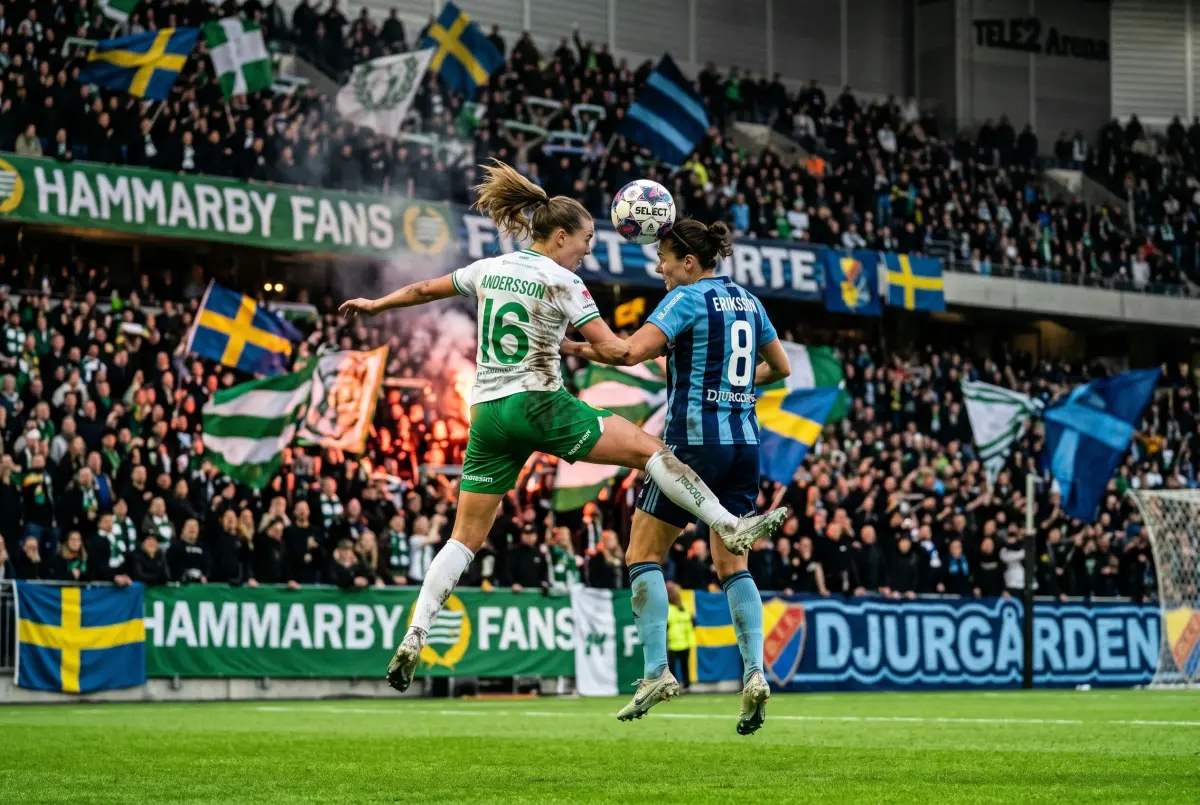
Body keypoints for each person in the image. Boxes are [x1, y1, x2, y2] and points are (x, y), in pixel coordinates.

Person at [339, 161, 787, 692]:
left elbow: (420, 290)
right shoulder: (564, 279)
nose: (589, 251)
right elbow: (616, 349)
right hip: (540, 405)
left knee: (463, 538)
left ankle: (415, 635)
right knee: (651, 450)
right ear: (558, 236)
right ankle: (727, 524)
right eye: (586, 240)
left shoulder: (489, 266)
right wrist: (599, 346)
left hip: (486, 416)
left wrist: (374, 304)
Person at [561, 218, 790, 734]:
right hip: (744, 445)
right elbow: (779, 368)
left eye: (664, 257)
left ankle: (655, 672)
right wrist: (733, 388)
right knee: (732, 562)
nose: (659, 267)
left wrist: (567, 343)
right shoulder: (750, 303)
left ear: (690, 261)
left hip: (693, 444)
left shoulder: (685, 299)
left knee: (642, 554)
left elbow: (627, 353)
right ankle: (754, 672)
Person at [665, 582, 695, 690]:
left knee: (683, 665)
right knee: (673, 666)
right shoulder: (668, 608)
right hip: (673, 641)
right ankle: (673, 686)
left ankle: (686, 685)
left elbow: (692, 622)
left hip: (684, 641)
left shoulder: (684, 607)